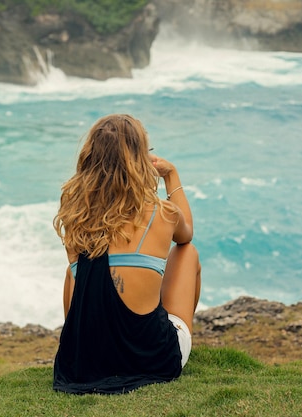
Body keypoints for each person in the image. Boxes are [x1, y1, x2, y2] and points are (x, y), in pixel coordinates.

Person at [52, 114, 201, 394]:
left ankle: (82, 348)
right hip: (154, 361)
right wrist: (171, 175)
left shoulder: (74, 215)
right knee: (187, 252)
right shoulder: (163, 212)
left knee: (77, 272)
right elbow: (187, 234)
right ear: (141, 160)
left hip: (80, 367)